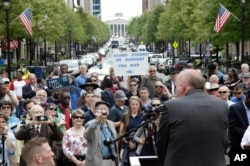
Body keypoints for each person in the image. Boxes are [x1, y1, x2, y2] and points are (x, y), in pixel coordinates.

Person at [156, 69, 228, 166]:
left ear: (182, 86)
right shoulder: (222, 106)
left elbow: (161, 145)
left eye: (176, 86)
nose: (175, 91)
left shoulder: (171, 107)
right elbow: (224, 141)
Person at [84, 101, 117, 166]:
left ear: (108, 111)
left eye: (105, 109)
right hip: (97, 161)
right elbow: (87, 136)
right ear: (96, 111)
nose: (103, 111)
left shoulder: (111, 123)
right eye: (101, 109)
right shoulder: (90, 124)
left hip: (111, 161)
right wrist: (96, 121)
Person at [228, 90, 250, 166]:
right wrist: (248, 134)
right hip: (238, 146)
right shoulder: (234, 108)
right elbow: (232, 128)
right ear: (247, 98)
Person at [120, 96, 143, 166]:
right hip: (127, 145)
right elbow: (121, 133)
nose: (134, 106)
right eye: (132, 104)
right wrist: (128, 143)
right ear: (129, 105)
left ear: (139, 105)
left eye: (136, 104)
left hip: (139, 145)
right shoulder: (125, 116)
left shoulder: (142, 116)